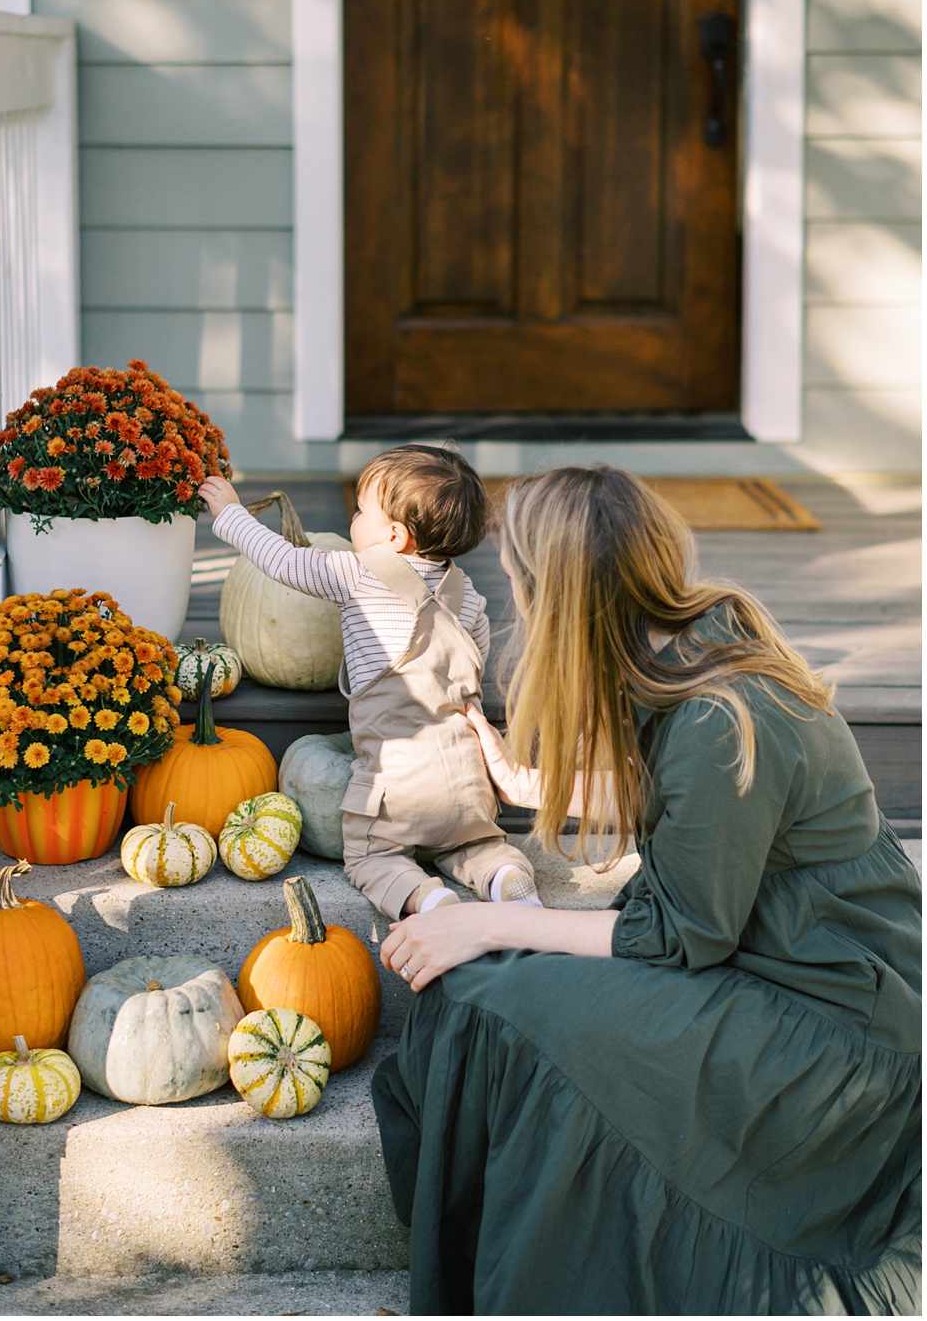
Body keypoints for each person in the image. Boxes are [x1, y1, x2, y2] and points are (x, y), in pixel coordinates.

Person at [372, 465, 921, 1317]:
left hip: (830, 1031)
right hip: (768, 959)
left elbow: (679, 936)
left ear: (559, 595)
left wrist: (485, 921)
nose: (513, 600)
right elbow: (708, 812)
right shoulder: (694, 642)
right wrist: (542, 786)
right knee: (479, 990)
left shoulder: (721, 717)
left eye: (519, 581)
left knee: (498, 997)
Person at [200, 445, 540, 919]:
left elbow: (282, 560)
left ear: (395, 537)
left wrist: (230, 513)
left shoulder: (355, 574)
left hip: (395, 787)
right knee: (474, 846)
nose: (353, 518)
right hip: (469, 783)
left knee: (372, 859)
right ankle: (504, 876)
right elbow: (473, 662)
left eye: (361, 511)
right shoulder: (470, 599)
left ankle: (429, 902)